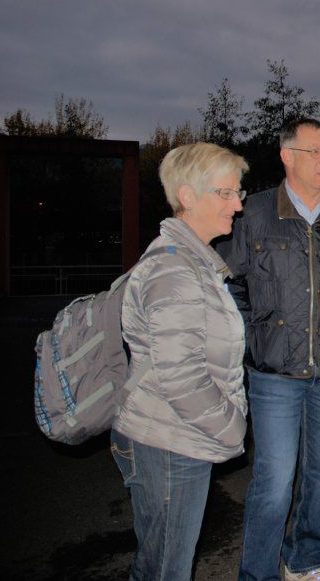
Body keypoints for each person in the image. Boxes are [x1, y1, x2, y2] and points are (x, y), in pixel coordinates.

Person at [219, 118, 320, 581]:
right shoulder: (254, 214)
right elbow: (227, 284)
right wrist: (254, 334)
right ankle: (259, 573)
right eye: (316, 152)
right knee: (273, 482)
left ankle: (304, 561)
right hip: (275, 374)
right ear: (288, 156)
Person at [111, 142, 250, 581]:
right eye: (225, 193)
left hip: (173, 434)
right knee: (165, 568)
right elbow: (183, 378)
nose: (238, 204)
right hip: (172, 441)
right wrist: (233, 426)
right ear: (187, 196)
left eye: (238, 193)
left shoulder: (193, 262)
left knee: (158, 562)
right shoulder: (175, 271)